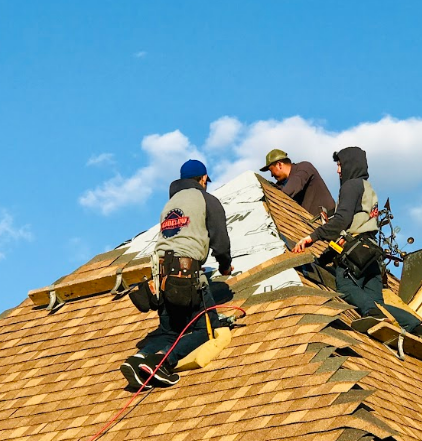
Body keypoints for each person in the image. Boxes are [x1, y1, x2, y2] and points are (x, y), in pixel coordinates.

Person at [292, 147, 422, 343]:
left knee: (344, 287)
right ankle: (417, 326)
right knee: (376, 302)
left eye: (340, 165)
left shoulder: (350, 186)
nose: (338, 171)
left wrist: (311, 237)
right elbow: (353, 231)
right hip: (371, 255)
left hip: (355, 255)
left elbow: (342, 222)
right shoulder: (368, 189)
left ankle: (372, 313)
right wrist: (322, 259)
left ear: (349, 164)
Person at [121, 159, 233, 390]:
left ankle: (139, 359)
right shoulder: (206, 199)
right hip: (187, 275)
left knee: (170, 330)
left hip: (161, 276)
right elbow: (220, 239)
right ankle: (163, 363)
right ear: (203, 179)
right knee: (205, 329)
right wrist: (225, 266)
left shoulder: (170, 204)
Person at [260, 149, 336, 217]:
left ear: (279, 165)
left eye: (271, 170)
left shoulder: (304, 168)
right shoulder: (281, 184)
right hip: (308, 226)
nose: (271, 175)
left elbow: (291, 188)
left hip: (329, 220)